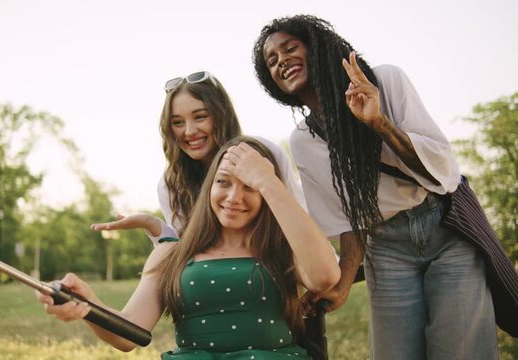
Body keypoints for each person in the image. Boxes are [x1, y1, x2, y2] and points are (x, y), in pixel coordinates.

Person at [252, 15, 499, 359]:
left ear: (316, 46)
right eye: (272, 61)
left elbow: (439, 171)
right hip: (386, 247)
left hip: (446, 230)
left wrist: (378, 123)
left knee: (460, 350)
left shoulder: (385, 80)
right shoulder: (305, 140)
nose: (282, 61)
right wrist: (342, 285)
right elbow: (348, 220)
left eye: (290, 48)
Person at [37, 136, 340, 359]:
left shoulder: (285, 248)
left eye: (249, 187)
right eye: (224, 182)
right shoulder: (172, 252)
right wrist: (88, 304)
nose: (234, 197)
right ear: (210, 186)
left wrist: (268, 181)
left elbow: (325, 276)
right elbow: (129, 332)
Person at [91, 71, 305, 243]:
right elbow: (183, 251)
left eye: (200, 117)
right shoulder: (171, 183)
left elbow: (301, 218)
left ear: (221, 114)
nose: (189, 131)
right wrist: (152, 225)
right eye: (177, 122)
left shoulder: (262, 153)